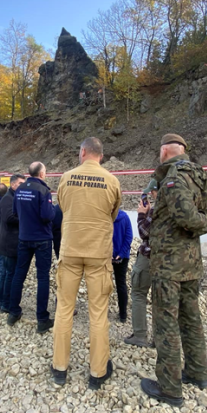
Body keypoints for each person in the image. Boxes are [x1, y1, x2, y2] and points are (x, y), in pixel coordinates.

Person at [140, 135, 207, 407]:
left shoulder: (173, 177)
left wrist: (204, 225)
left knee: (166, 323)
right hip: (191, 263)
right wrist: (206, 223)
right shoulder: (197, 176)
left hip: (169, 265)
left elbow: (189, 217)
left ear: (164, 151)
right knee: (191, 318)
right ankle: (197, 372)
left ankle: (170, 388)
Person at [50, 137, 121, 390]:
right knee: (98, 313)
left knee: (64, 309)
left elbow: (63, 207)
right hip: (98, 253)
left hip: (70, 250)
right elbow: (113, 214)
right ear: (101, 156)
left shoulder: (67, 177)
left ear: (82, 152)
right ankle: (97, 372)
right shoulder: (112, 180)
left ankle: (60, 368)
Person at [6, 162, 56, 333]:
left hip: (24, 237)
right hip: (42, 238)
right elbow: (47, 216)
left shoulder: (19, 190)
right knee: (42, 278)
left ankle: (13, 312)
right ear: (41, 174)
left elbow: (15, 212)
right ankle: (42, 319)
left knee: (19, 274)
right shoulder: (43, 191)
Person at [123, 178, 157, 348]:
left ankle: (140, 334)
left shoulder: (156, 209)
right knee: (160, 298)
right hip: (166, 261)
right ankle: (160, 338)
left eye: (152, 191)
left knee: (138, 294)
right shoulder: (174, 206)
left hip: (148, 257)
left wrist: (142, 214)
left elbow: (144, 232)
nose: (151, 194)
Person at [0, 174, 25, 313]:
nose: (23, 186)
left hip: (12, 242)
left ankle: (3, 300)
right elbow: (9, 218)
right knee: (9, 274)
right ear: (13, 185)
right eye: (20, 183)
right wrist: (27, 218)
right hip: (9, 243)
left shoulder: (15, 197)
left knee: (8, 273)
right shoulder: (8, 198)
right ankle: (5, 303)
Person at [111, 209, 133, 322]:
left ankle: (99, 312)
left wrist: (109, 253)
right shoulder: (125, 217)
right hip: (123, 257)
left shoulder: (105, 217)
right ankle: (123, 315)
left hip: (106, 256)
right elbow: (129, 237)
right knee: (121, 284)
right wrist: (121, 253)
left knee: (103, 284)